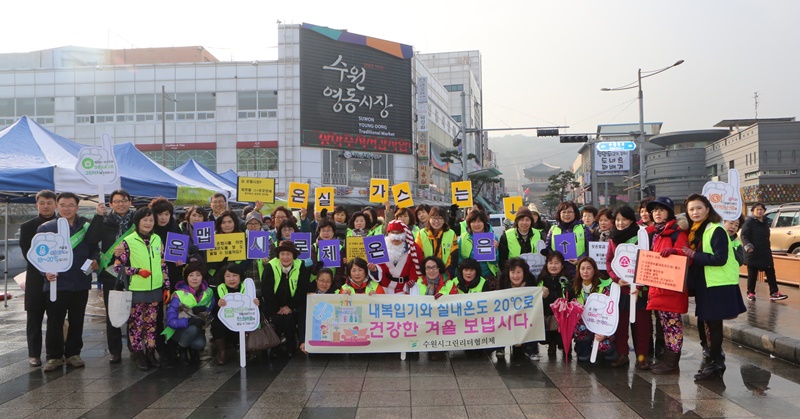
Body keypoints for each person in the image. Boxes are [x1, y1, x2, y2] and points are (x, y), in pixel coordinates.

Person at [682, 194, 747, 380]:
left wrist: (693, 254)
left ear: (708, 209)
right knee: (707, 323)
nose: (695, 212)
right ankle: (714, 360)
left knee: (714, 324)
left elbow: (720, 258)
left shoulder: (716, 230)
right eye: (691, 209)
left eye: (699, 208)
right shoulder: (697, 231)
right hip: (707, 283)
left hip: (718, 284)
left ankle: (716, 363)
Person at [39, 192, 100, 372]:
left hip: (80, 281)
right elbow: (39, 255)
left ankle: (74, 353)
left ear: (77, 207)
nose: (67, 208)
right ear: (57, 206)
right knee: (54, 321)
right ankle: (54, 356)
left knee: (77, 319)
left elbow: (94, 249)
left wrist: (95, 260)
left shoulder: (86, 227)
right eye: (63, 205)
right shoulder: (47, 228)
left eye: (71, 205)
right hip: (56, 283)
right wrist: (45, 273)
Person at [114, 207, 167, 371]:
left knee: (151, 324)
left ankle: (151, 353)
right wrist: (136, 271)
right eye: (145, 220)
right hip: (136, 289)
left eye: (151, 220)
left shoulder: (157, 239)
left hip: (156, 288)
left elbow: (163, 264)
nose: (149, 223)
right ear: (137, 222)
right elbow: (117, 267)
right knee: (136, 324)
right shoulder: (127, 241)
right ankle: (139, 355)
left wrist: (167, 286)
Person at [87, 188, 134, 364]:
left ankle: (134, 346)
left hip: (134, 273)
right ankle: (115, 350)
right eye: (117, 201)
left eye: (124, 200)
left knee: (134, 312)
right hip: (110, 274)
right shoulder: (104, 220)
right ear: (111, 204)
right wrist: (98, 217)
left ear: (130, 202)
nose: (121, 204)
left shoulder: (137, 221)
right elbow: (92, 239)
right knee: (112, 312)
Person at [645, 196, 689, 375]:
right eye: (654, 210)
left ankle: (672, 364)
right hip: (657, 287)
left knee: (673, 326)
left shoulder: (677, 233)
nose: (657, 213)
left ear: (669, 213)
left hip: (671, 288)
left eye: (661, 210)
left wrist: (675, 251)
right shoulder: (651, 233)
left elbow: (686, 256)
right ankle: (668, 362)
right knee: (665, 325)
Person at [605, 206, 651, 370]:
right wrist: (616, 279)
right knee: (621, 325)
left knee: (641, 327)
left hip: (639, 290)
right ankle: (622, 354)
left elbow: (647, 261)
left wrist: (638, 286)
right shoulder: (613, 239)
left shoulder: (641, 236)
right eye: (617, 219)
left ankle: (642, 357)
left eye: (624, 219)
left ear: (631, 220)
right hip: (621, 289)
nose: (620, 223)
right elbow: (609, 262)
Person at [19, 190, 57, 367]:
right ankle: (34, 354)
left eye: (49, 202)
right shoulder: (27, 227)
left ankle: (53, 354)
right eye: (42, 202)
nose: (46, 206)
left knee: (55, 318)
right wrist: (45, 271)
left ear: (55, 204)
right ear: (37, 205)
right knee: (34, 318)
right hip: (35, 279)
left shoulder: (63, 225)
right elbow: (29, 255)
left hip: (58, 279)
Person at [497, 258, 556, 360]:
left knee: (534, 319)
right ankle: (500, 347)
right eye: (513, 272)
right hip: (508, 316)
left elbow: (539, 304)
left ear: (524, 272)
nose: (516, 276)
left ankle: (531, 349)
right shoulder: (503, 281)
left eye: (519, 272)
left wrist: (543, 294)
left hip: (525, 317)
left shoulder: (531, 281)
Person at [262, 240, 310, 357]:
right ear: (278, 255)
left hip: (293, 304)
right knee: (278, 319)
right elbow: (266, 290)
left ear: (293, 256)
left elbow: (302, 289)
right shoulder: (271, 266)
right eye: (282, 254)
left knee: (289, 319)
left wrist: (290, 307)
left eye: (288, 254)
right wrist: (277, 308)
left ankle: (291, 347)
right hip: (274, 305)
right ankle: (275, 347)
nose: (285, 257)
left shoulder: (300, 265)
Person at [162, 261, 214, 366]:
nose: (194, 278)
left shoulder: (208, 293)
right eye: (191, 275)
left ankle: (191, 348)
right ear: (186, 277)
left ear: (203, 277)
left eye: (198, 275)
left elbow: (210, 313)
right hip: (178, 329)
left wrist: (204, 315)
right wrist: (189, 320)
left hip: (198, 328)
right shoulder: (179, 294)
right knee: (192, 329)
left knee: (200, 344)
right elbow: (171, 321)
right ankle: (182, 349)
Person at [211, 263, 260, 365]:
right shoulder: (219, 289)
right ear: (223, 278)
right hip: (226, 322)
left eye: (234, 275)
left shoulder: (248, 287)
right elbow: (213, 312)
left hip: (243, 321)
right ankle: (222, 352)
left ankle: (247, 349)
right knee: (216, 325)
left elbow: (257, 309)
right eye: (228, 276)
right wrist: (218, 305)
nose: (231, 279)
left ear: (240, 276)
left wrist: (257, 303)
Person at [571, 257, 616, 362]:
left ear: (594, 270)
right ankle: (582, 346)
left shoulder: (603, 287)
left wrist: (605, 333)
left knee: (606, 350)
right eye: (582, 268)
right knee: (583, 358)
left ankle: (610, 349)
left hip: (600, 323)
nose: (585, 272)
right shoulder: (574, 287)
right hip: (583, 325)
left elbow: (610, 312)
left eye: (588, 268)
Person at [741, 203, 788, 301]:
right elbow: (744, 235)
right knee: (752, 274)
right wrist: (748, 246)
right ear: (753, 211)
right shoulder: (749, 222)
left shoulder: (766, 221)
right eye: (757, 209)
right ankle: (750, 293)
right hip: (753, 252)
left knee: (771, 272)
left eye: (761, 209)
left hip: (765, 251)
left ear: (764, 211)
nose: (759, 211)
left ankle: (774, 293)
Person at [370, 220, 424, 294]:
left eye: (398, 233)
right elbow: (379, 268)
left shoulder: (414, 249)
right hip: (384, 287)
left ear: (404, 234)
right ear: (388, 233)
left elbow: (417, 268)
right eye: (393, 233)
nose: (395, 238)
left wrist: (412, 282)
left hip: (405, 288)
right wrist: (374, 270)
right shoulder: (378, 247)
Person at [544, 201, 592, 276]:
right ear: (559, 214)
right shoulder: (553, 230)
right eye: (563, 212)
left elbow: (590, 248)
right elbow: (548, 248)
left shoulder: (583, 229)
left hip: (578, 270)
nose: (566, 214)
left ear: (575, 213)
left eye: (570, 212)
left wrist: (580, 260)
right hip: (558, 271)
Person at [538, 251, 572, 357]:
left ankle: (566, 343)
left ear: (562, 266)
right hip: (546, 316)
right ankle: (551, 344)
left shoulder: (568, 280)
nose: (553, 266)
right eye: (550, 262)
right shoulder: (541, 280)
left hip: (564, 317)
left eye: (556, 263)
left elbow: (571, 300)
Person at [458, 209, 499, 287]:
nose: (476, 224)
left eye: (479, 221)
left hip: (487, 276)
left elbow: (494, 262)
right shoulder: (463, 238)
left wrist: (495, 251)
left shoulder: (493, 237)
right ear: (469, 224)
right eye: (473, 222)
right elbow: (460, 260)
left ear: (484, 222)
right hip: (469, 278)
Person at [416, 206, 459, 278]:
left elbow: (454, 255)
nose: (436, 221)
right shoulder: (421, 233)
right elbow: (418, 255)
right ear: (429, 219)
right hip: (427, 273)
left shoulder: (451, 233)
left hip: (445, 273)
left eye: (440, 218)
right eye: (433, 218)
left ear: (444, 220)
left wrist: (447, 272)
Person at [498, 207, 541, 271]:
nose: (524, 223)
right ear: (517, 221)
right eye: (521, 219)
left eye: (527, 220)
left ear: (531, 221)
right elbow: (502, 259)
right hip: (513, 273)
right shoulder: (507, 235)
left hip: (533, 272)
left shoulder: (538, 233)